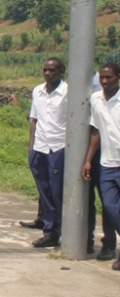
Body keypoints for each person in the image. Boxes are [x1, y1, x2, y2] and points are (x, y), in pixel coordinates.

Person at [83, 63, 120, 269]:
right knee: (110, 206)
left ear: (118, 77)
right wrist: (89, 159)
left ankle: (113, 248)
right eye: (102, 78)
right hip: (107, 163)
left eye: (110, 77)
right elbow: (95, 131)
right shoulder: (96, 99)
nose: (105, 82)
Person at [28, 57, 67, 248]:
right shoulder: (37, 91)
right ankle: (50, 232)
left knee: (57, 192)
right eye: (45, 70)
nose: (47, 74)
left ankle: (65, 231)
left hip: (59, 148)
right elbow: (34, 120)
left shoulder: (68, 93)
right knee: (44, 192)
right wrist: (31, 149)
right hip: (40, 148)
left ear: (62, 72)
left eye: (52, 70)